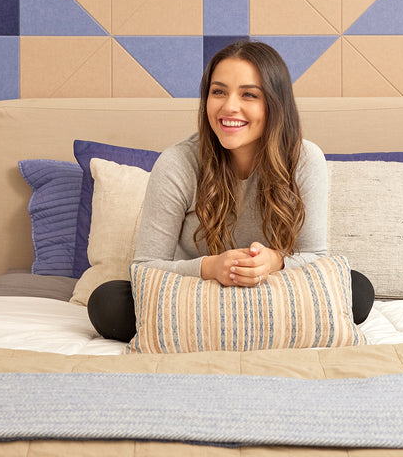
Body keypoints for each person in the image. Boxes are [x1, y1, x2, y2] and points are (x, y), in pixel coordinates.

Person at [88, 39, 374, 341]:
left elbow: (316, 255)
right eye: (218, 92)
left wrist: (276, 261)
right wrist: (211, 268)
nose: (228, 107)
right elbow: (144, 269)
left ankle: (222, 326)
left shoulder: (305, 159)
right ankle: (257, 327)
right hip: (197, 291)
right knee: (107, 302)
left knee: (357, 289)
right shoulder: (177, 162)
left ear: (276, 103)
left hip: (271, 287)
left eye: (249, 94)